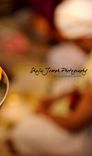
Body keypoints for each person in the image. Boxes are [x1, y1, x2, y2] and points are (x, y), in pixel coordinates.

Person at [9, 0, 92, 155]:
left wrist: (44, 113)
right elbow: (81, 86)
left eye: (77, 42)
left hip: (87, 137)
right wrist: (53, 100)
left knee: (22, 132)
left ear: (87, 38)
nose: (75, 47)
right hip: (83, 108)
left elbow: (75, 124)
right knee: (61, 86)